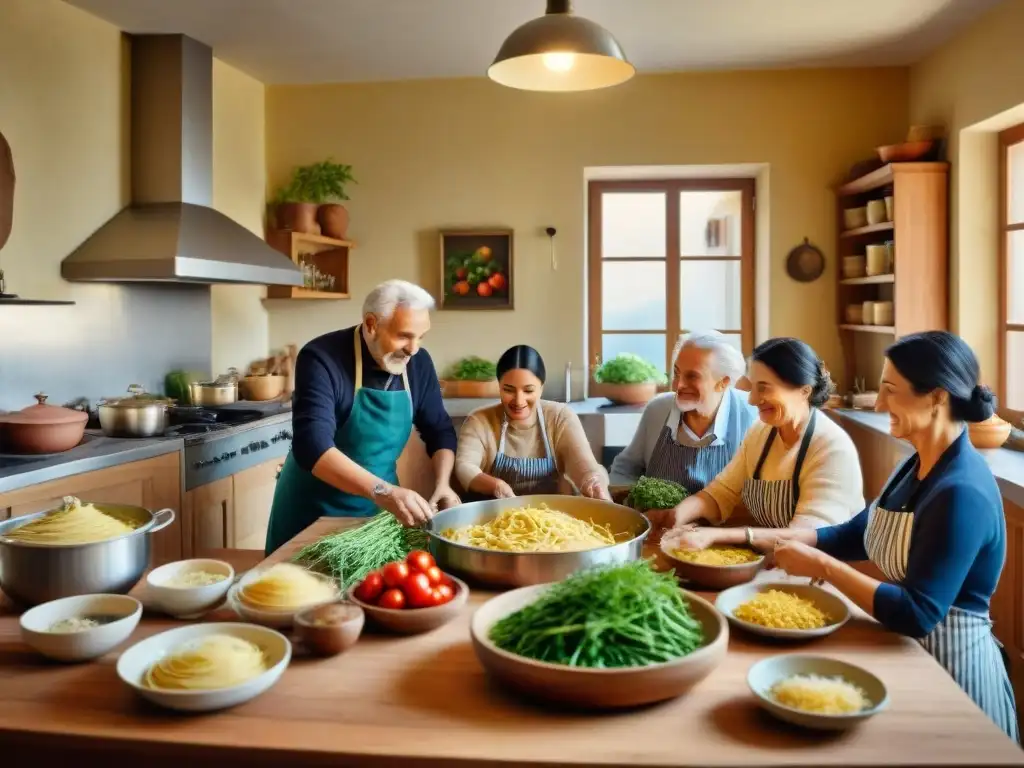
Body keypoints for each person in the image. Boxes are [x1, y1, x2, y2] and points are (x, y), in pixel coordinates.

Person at [673, 332, 1017, 741]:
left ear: (937, 398)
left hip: (957, 677)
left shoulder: (962, 491)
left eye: (890, 390)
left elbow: (919, 613)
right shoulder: (917, 465)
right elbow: (859, 534)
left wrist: (819, 565)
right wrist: (748, 540)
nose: (879, 403)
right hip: (911, 656)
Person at [265, 280, 460, 554]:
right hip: (311, 513)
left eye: (421, 336)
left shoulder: (418, 363)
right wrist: (385, 492)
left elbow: (439, 430)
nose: (413, 348)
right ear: (371, 324)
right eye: (404, 336)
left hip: (379, 516)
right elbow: (312, 446)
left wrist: (443, 484)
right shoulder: (321, 358)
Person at [653, 337, 863, 539]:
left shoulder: (832, 448)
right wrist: (678, 514)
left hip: (821, 568)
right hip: (778, 560)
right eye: (752, 387)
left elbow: (807, 537)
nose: (752, 399)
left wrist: (715, 535)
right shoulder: (761, 433)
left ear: (804, 391)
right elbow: (721, 493)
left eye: (763, 388)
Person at [455, 345, 610, 500]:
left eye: (528, 391)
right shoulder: (479, 421)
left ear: (541, 388)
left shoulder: (560, 417)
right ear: (499, 386)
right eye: (508, 390)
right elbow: (465, 467)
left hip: (553, 516)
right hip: (493, 515)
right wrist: (497, 486)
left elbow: (585, 467)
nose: (519, 400)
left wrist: (594, 481)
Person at [610, 331, 756, 494]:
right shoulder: (657, 410)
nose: (679, 385)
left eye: (692, 376)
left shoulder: (754, 415)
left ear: (723, 382)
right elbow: (624, 469)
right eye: (677, 373)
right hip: (657, 518)